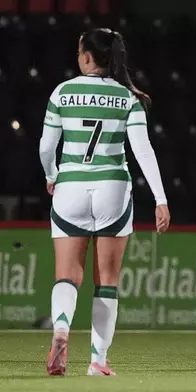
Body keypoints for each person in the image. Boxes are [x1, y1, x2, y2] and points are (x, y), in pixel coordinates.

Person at [40, 28, 170, 377]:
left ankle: (62, 330)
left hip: (70, 188)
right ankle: (97, 361)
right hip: (113, 188)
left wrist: (52, 175)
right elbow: (143, 150)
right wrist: (160, 199)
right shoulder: (127, 97)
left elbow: (45, 147)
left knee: (67, 275)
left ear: (86, 57)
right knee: (107, 279)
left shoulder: (62, 92)